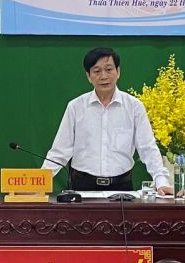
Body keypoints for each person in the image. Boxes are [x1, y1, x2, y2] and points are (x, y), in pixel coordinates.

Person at [44, 47, 171, 194]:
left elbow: (148, 149)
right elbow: (59, 152)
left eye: (109, 69)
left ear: (118, 72)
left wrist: (161, 182)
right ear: (88, 76)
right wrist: (39, 184)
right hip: (82, 186)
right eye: (97, 71)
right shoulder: (75, 107)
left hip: (121, 186)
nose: (103, 76)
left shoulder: (134, 106)